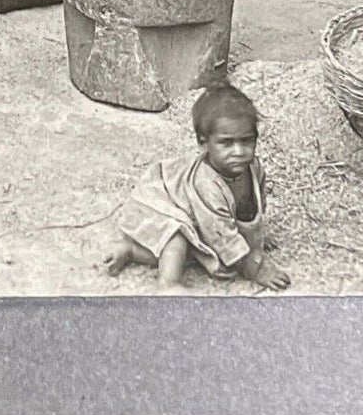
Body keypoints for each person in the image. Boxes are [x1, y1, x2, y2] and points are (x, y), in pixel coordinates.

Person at [102, 85, 289, 292]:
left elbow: (253, 202)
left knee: (196, 251)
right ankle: (165, 280)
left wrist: (253, 235)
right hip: (164, 201)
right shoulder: (207, 183)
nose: (238, 151)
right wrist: (256, 269)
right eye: (226, 143)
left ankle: (134, 251)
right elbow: (221, 236)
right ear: (204, 143)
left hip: (204, 218)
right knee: (177, 240)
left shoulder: (253, 167)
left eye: (246, 141)